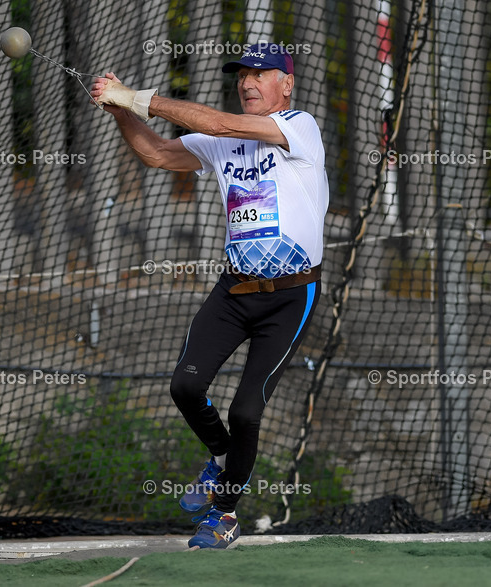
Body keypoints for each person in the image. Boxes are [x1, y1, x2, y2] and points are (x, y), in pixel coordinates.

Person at [90, 43, 328, 549]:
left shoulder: (299, 127)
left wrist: (134, 97)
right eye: (242, 75)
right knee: (185, 385)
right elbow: (156, 153)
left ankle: (224, 514)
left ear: (287, 84)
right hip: (234, 291)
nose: (248, 82)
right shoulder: (221, 143)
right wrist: (121, 114)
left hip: (290, 298)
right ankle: (220, 458)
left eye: (261, 73)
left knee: (245, 412)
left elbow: (219, 124)